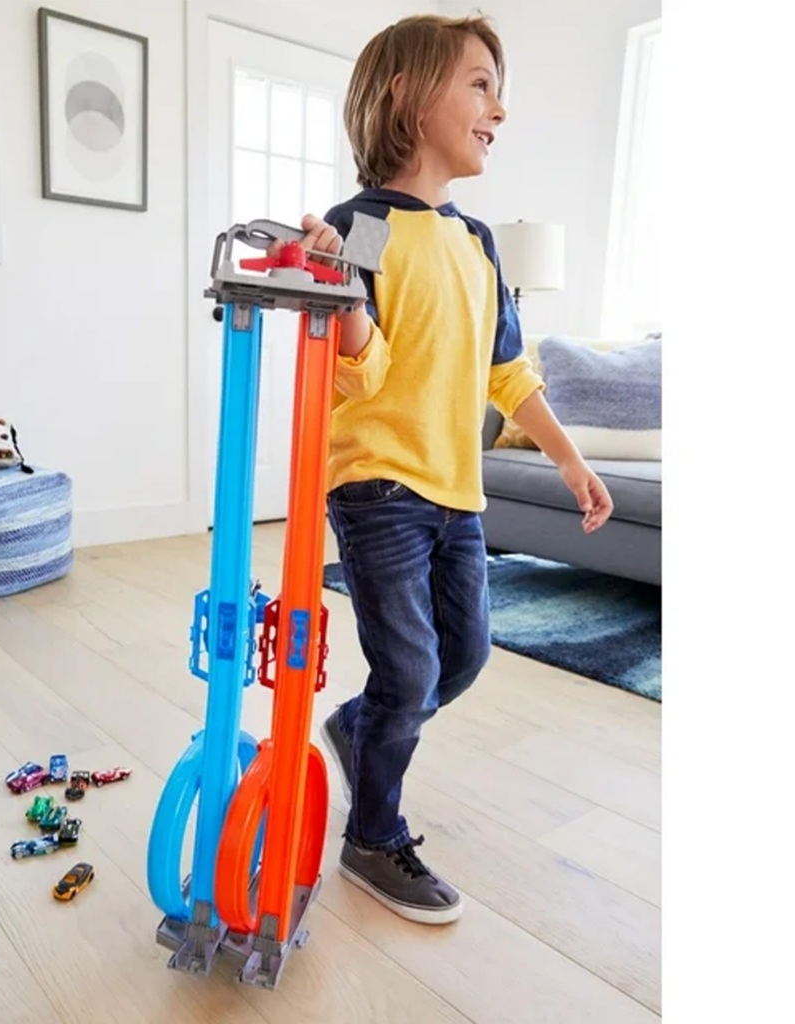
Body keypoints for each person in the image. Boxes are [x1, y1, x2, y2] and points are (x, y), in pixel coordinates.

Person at [279, 13, 614, 924]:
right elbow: (362, 365)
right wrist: (343, 295)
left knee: (459, 658)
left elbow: (509, 372)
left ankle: (358, 728)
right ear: (407, 95)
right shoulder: (361, 227)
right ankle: (371, 837)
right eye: (479, 84)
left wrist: (571, 460)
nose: (498, 109)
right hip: (379, 485)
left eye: (498, 92)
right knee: (410, 668)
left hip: (456, 493)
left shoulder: (477, 243)